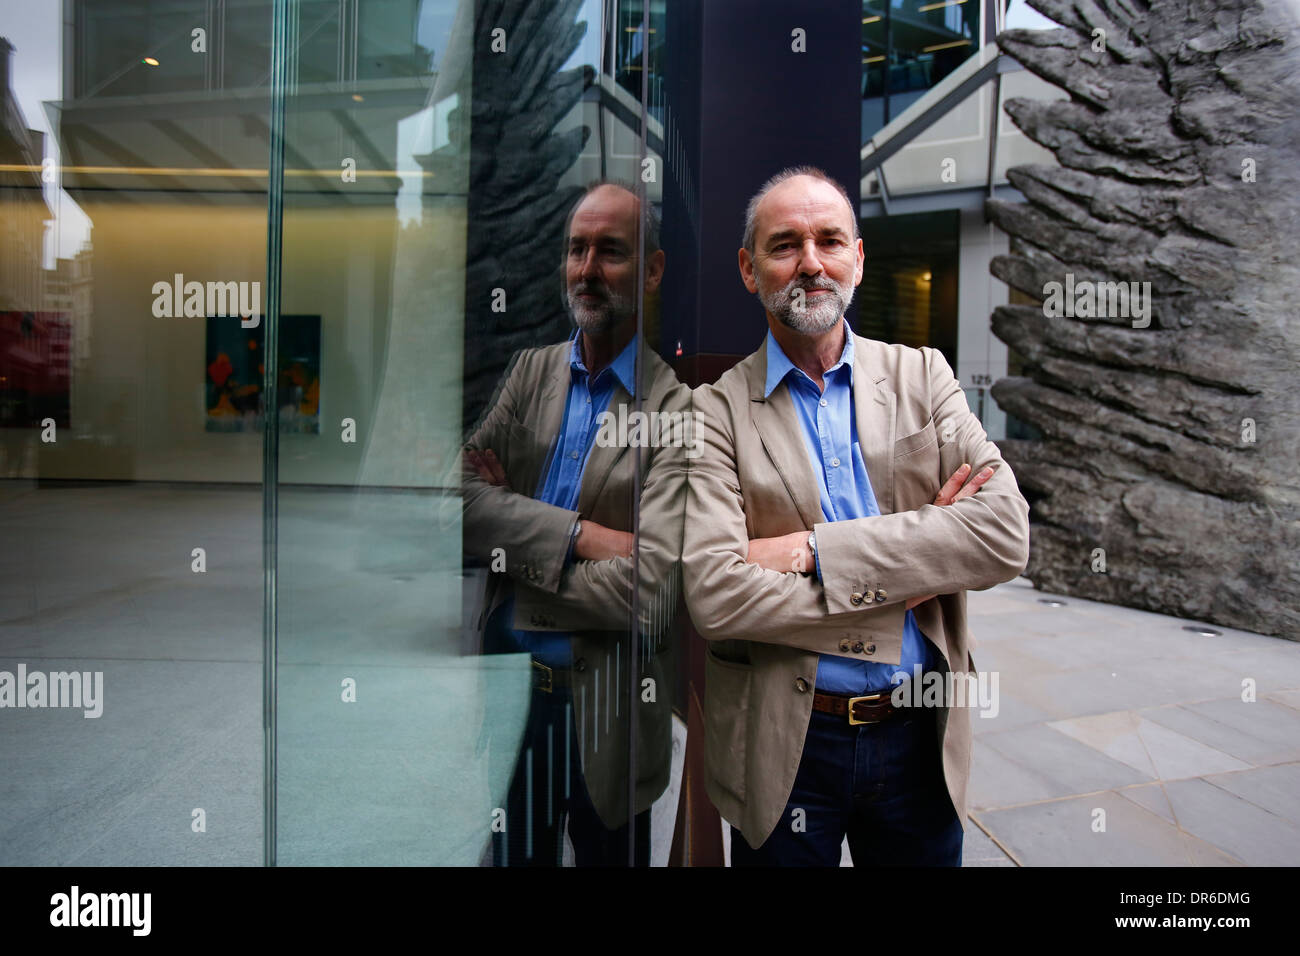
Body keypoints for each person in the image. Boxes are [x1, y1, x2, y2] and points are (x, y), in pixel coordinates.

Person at [682, 166, 1030, 866]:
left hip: (917, 740)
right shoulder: (709, 413)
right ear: (751, 271)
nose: (810, 262)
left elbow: (1003, 533)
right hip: (786, 746)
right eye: (784, 245)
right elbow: (716, 594)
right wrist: (917, 570)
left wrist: (809, 549)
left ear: (858, 259)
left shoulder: (923, 375)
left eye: (829, 240)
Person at [462, 181, 689, 866]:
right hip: (511, 699)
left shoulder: (680, 407)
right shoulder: (530, 373)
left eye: (611, 252)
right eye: (576, 249)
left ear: (651, 271)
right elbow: (458, 503)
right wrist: (581, 538)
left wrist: (514, 544)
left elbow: (651, 592)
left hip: (611, 718)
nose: (587, 269)